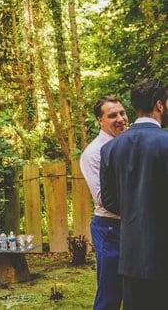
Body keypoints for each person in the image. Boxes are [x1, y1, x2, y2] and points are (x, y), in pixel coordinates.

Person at [100, 79, 168, 309]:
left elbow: (108, 199)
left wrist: (134, 210)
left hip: (130, 256)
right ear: (160, 105)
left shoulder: (110, 148)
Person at [79, 95, 128, 310]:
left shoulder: (131, 144)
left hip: (134, 225)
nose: (120, 119)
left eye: (122, 113)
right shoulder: (93, 153)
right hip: (110, 228)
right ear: (100, 120)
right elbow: (103, 199)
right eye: (112, 116)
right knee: (110, 291)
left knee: (137, 289)